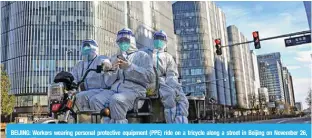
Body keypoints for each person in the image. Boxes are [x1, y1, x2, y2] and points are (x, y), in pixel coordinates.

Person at [89, 28, 155, 124]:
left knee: (117, 101)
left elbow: (150, 77)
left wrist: (129, 67)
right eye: (120, 41)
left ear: (132, 40)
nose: (122, 43)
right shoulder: (116, 57)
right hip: (115, 90)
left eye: (125, 40)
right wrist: (111, 70)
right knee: (95, 100)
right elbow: (108, 82)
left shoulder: (142, 56)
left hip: (135, 91)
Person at [144, 30, 189, 123]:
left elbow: (172, 74)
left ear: (165, 42)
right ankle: (172, 123)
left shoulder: (168, 57)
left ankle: (180, 122)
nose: (159, 41)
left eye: (161, 39)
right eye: (157, 38)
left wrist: (175, 86)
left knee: (181, 97)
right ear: (153, 40)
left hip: (162, 82)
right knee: (170, 94)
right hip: (149, 83)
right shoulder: (146, 53)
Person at [71, 39, 114, 111]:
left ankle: (99, 120)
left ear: (94, 48)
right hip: (87, 91)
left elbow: (106, 62)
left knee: (83, 97)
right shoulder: (79, 64)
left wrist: (106, 65)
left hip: (101, 90)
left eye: (88, 47)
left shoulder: (100, 58)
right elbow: (73, 76)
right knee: (76, 99)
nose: (85, 49)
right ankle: (84, 120)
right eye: (84, 47)